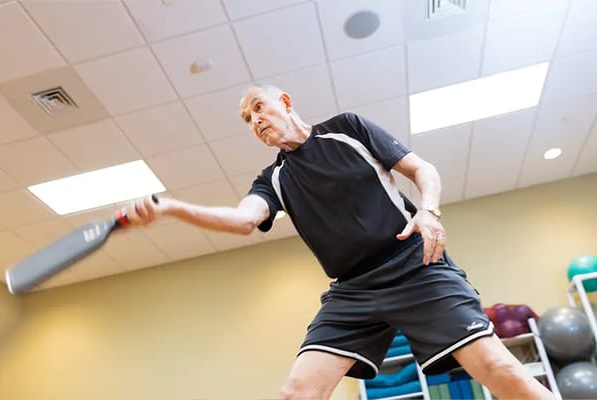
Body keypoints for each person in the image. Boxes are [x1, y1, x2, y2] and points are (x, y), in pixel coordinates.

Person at [125, 85, 556, 400]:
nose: (255, 120)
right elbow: (242, 221)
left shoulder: (347, 129)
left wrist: (429, 211)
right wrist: (171, 208)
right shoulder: (273, 178)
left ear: (286, 102)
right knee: (297, 393)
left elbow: (422, 170)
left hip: (415, 265)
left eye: (259, 107)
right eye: (247, 119)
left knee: (499, 369)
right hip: (352, 291)